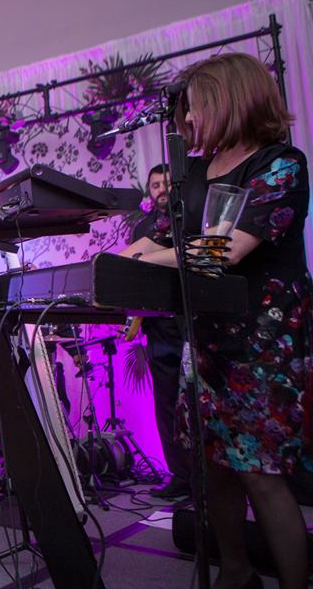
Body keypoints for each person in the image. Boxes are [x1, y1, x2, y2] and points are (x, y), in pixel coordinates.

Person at [121, 53, 310, 589]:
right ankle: (236, 572)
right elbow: (156, 239)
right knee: (213, 469)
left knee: (260, 475)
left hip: (263, 342)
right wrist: (114, 262)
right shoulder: (194, 173)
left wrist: (146, 258)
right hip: (205, 340)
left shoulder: (280, 164)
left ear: (230, 99)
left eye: (197, 106)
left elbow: (223, 252)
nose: (188, 119)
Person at [128, 164, 190, 499]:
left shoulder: (191, 218)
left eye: (167, 182)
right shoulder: (143, 227)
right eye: (155, 185)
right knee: (166, 404)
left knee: (196, 402)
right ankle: (180, 476)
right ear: (149, 191)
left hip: (193, 323)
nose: (162, 189)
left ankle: (213, 481)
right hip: (159, 328)